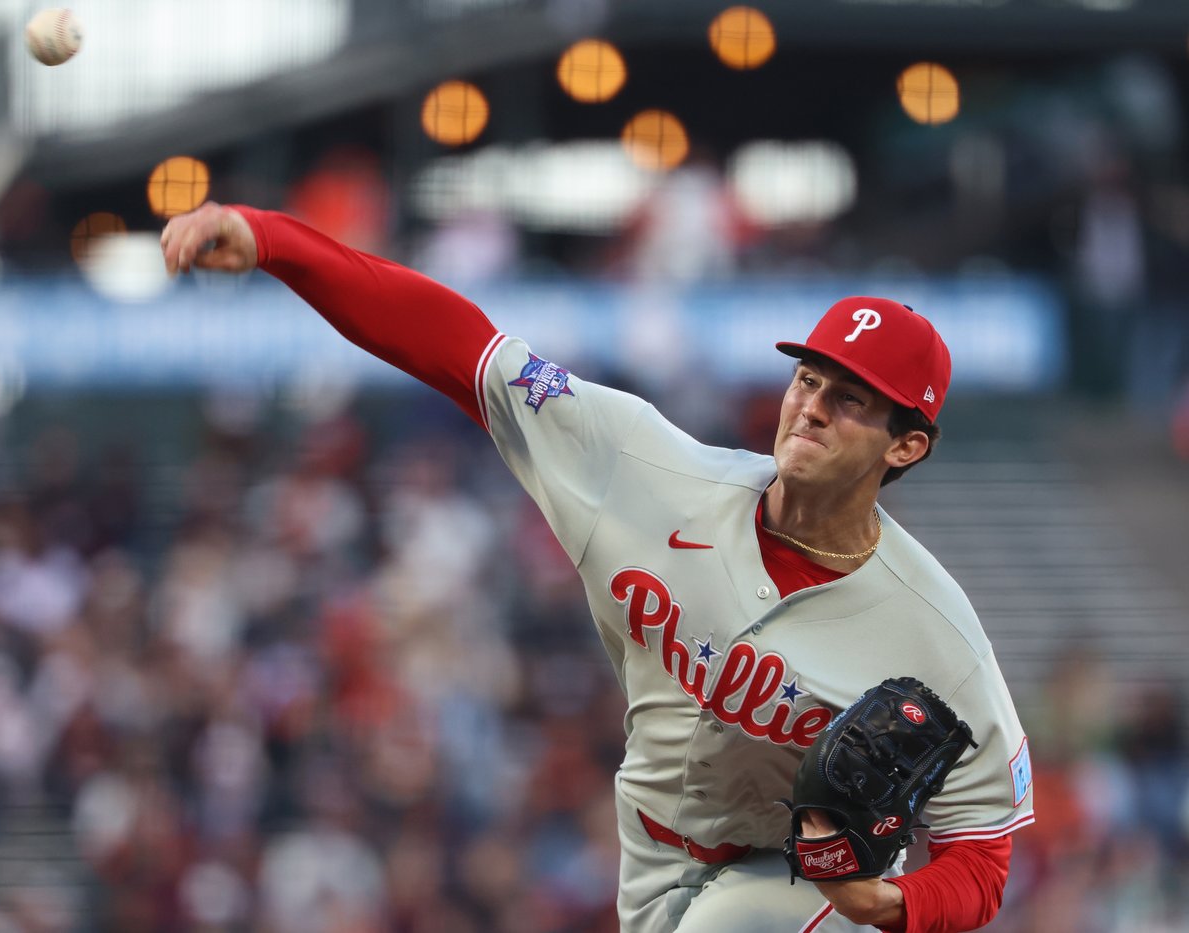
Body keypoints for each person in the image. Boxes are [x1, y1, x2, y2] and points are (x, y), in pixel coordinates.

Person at [160, 202, 1036, 932]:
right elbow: (458, 347)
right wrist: (275, 238)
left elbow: (982, 857)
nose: (811, 406)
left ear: (907, 444)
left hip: (789, 887)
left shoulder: (938, 633)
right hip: (650, 863)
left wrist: (892, 901)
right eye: (808, 378)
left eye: (850, 400)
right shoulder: (649, 470)